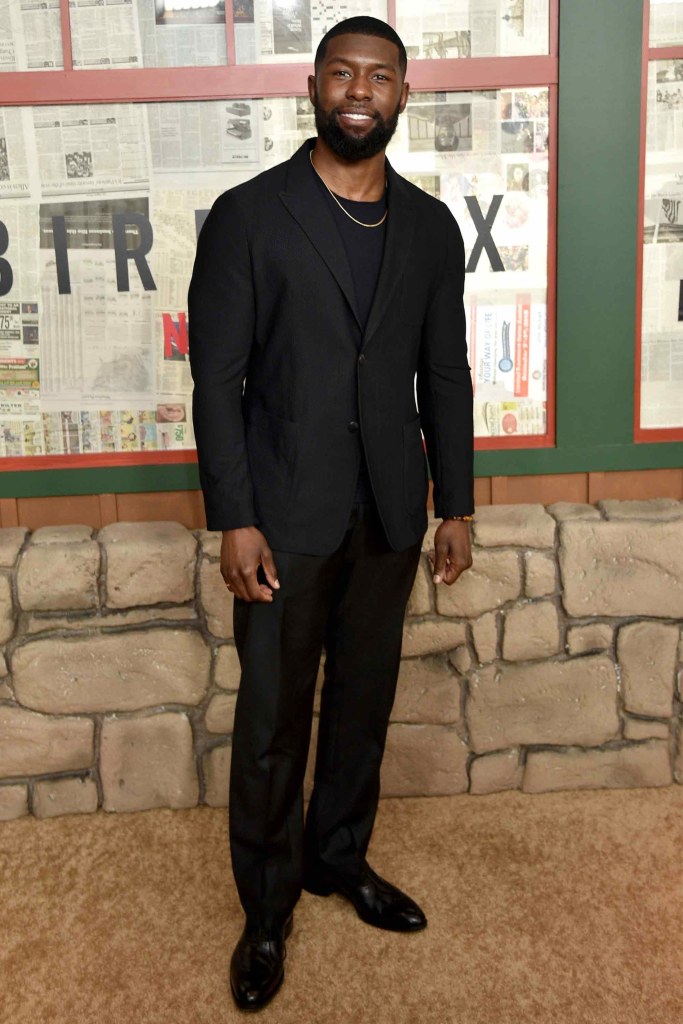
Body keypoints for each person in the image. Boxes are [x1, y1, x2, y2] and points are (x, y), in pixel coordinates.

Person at [188, 16, 474, 1012]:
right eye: (342, 74)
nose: (359, 91)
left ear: (403, 95)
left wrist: (455, 504)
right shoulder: (247, 216)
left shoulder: (430, 228)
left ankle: (337, 857)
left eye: (379, 77)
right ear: (311, 88)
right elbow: (216, 382)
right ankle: (267, 909)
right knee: (272, 720)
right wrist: (233, 516)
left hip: (388, 513)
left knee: (360, 704)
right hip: (281, 517)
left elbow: (445, 374)